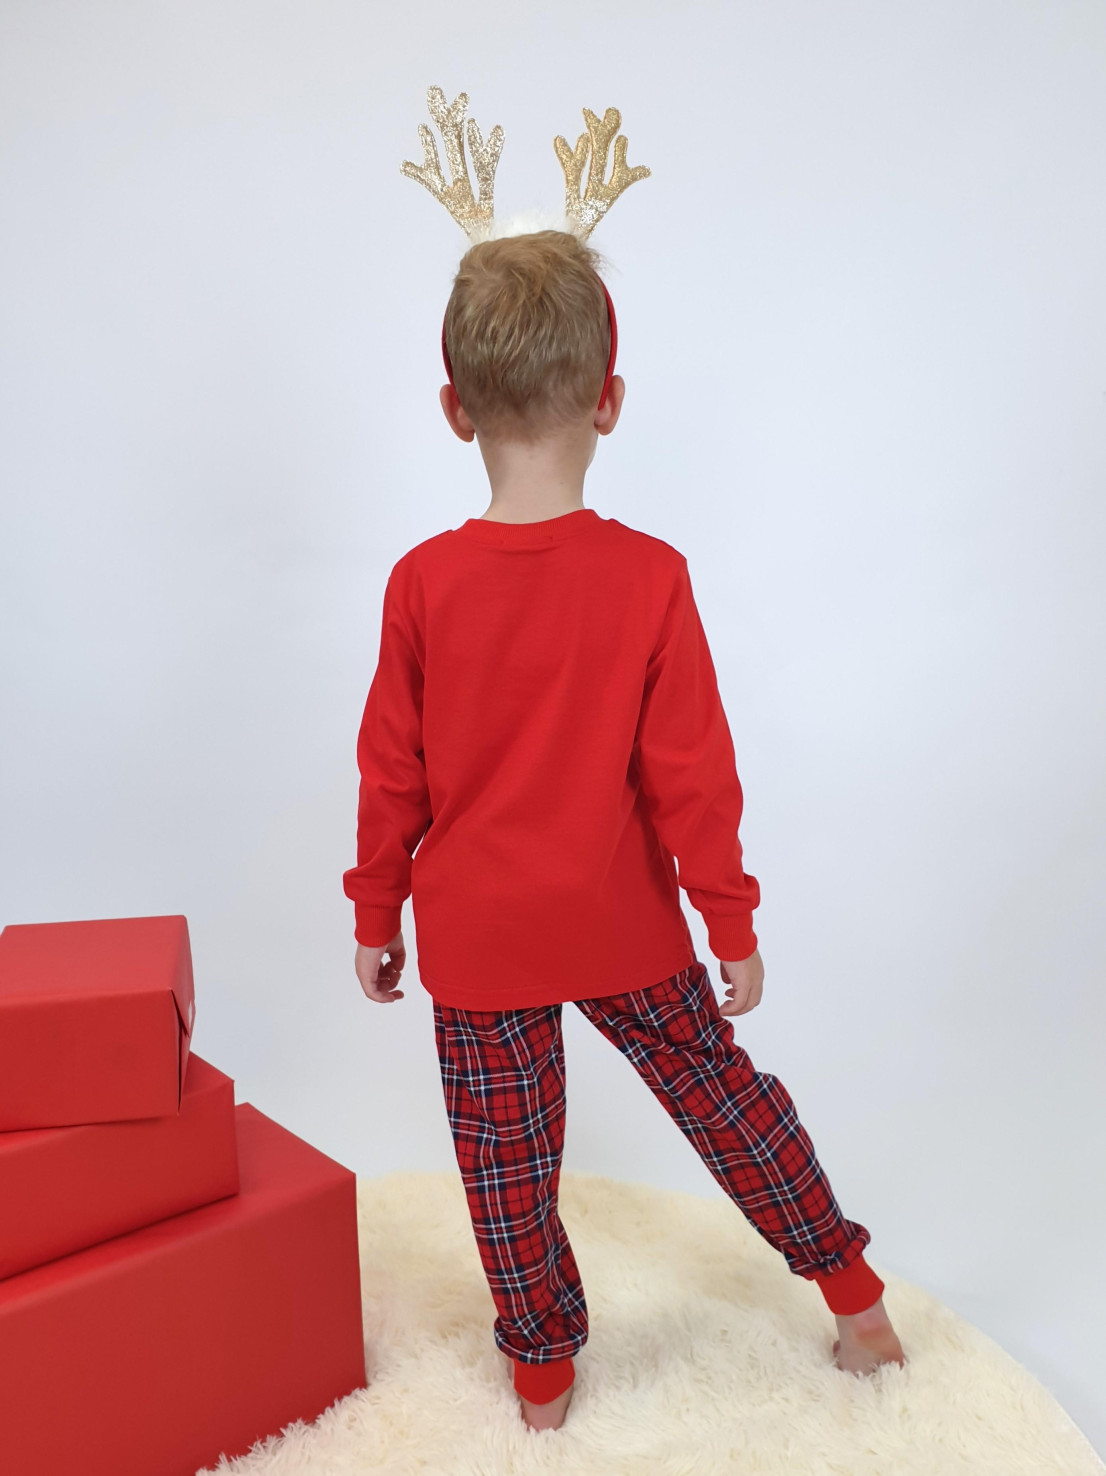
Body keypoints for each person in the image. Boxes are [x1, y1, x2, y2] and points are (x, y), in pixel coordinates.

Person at [343, 225, 906, 1433]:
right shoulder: (649, 577)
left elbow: (391, 772)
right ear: (607, 400)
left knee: (504, 1168)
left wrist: (377, 908)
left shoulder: (421, 583)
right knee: (725, 1101)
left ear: (454, 409)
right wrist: (729, 921)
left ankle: (542, 1385)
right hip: (623, 925)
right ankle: (855, 1303)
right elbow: (694, 775)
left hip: (481, 941)